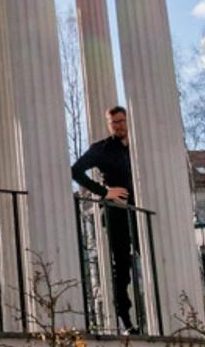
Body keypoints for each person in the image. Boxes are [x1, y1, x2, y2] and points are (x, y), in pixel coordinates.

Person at [70, 105, 139, 334]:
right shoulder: (102, 149)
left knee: (150, 255)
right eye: (114, 122)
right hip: (116, 212)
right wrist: (104, 192)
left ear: (128, 120)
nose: (119, 126)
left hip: (139, 210)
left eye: (121, 121)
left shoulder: (140, 145)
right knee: (122, 266)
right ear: (109, 125)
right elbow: (76, 170)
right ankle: (126, 320)